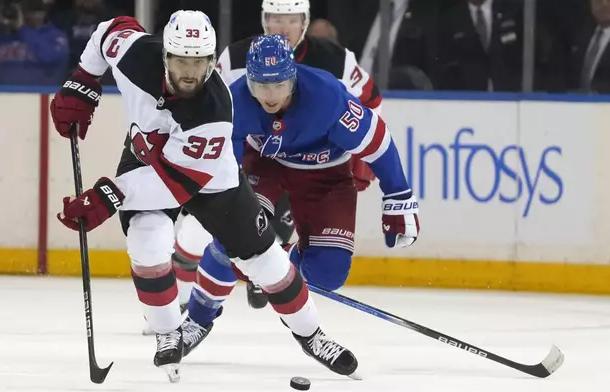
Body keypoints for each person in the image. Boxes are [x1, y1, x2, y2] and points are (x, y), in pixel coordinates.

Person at [50, 11, 359, 382]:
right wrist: (82, 82)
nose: (190, 71)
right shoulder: (134, 53)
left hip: (211, 180)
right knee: (147, 242)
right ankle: (168, 334)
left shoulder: (214, 109)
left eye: (200, 62)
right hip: (145, 155)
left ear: (212, 61)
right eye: (181, 60)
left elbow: (175, 183)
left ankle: (312, 335)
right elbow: (108, 31)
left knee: (265, 261)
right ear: (164, 54)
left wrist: (108, 195)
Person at [179, 34, 420, 361]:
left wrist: (398, 195)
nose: (269, 95)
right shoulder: (234, 103)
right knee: (233, 237)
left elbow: (377, 142)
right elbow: (225, 171)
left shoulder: (327, 97)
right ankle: (197, 320)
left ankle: (273, 265)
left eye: (278, 84)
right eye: (260, 85)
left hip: (327, 176)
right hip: (265, 165)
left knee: (329, 274)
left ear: (293, 77)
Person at [171, 0, 383, 315]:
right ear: (263, 20)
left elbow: (371, 103)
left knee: (271, 238)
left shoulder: (336, 61)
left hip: (311, 165)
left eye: (292, 19)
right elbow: (206, 106)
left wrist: (363, 160)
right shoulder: (237, 57)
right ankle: (180, 303)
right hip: (255, 163)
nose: (283, 28)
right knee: (192, 235)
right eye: (274, 19)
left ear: (305, 22)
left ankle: (271, 269)